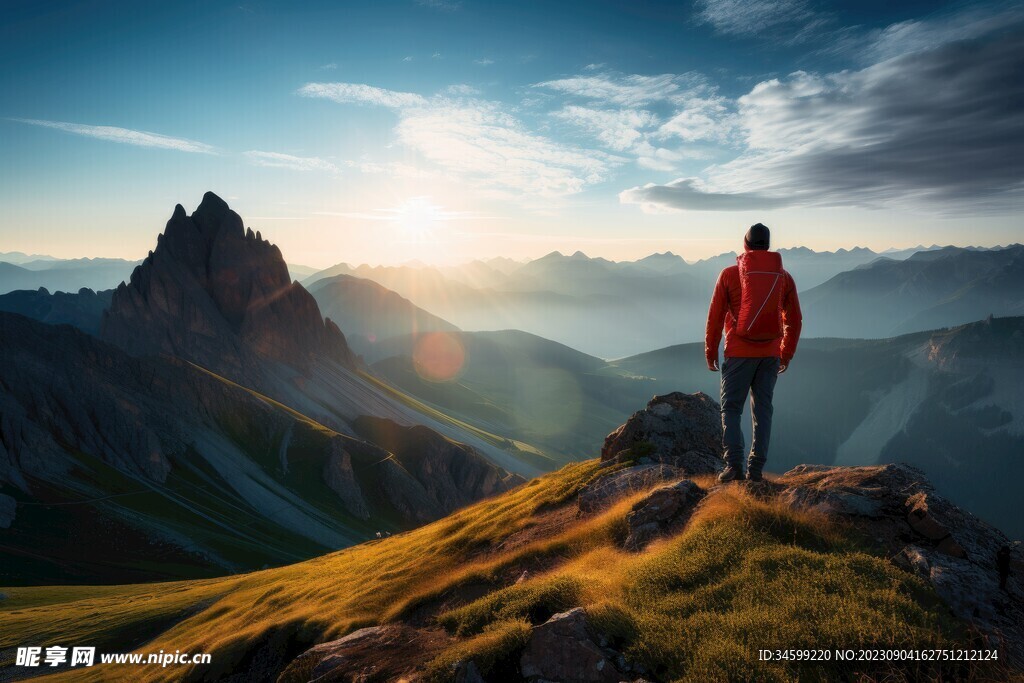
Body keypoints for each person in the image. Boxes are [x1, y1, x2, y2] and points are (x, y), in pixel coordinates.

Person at [705, 223, 802, 482]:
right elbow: (794, 319)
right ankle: (756, 470)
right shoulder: (784, 277)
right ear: (768, 246)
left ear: (745, 245)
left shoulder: (728, 274)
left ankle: (733, 467)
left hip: (738, 354)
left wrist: (710, 350)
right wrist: (786, 353)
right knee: (763, 411)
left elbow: (715, 317)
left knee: (731, 409)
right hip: (770, 355)